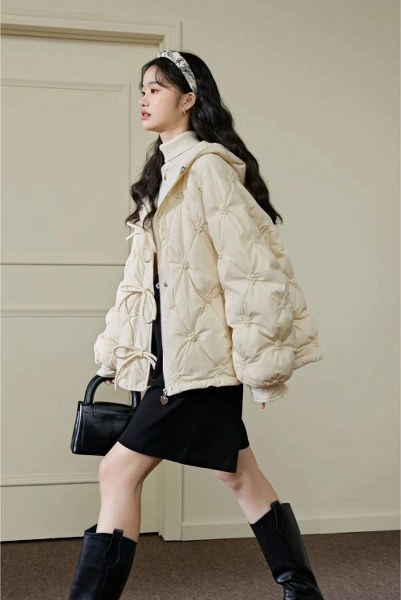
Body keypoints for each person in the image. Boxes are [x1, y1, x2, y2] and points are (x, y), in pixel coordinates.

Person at [68, 50, 324, 600]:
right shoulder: (161, 175)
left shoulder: (206, 168)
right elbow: (143, 280)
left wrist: (261, 366)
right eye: (142, 89)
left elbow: (251, 271)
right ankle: (302, 592)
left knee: (118, 472)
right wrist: (118, 350)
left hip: (198, 363)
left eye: (156, 89)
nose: (144, 98)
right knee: (238, 473)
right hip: (171, 357)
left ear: (189, 100)